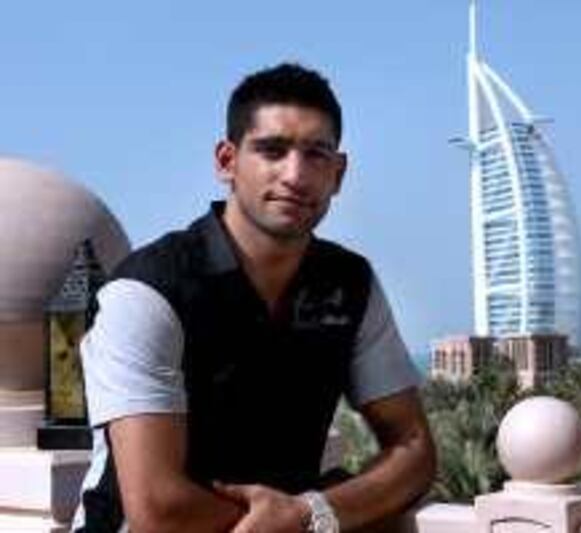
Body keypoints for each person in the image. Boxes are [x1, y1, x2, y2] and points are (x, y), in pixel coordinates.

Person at [72, 63, 436, 533]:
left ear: (339, 173)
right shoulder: (149, 291)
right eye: (272, 150)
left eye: (317, 154)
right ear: (227, 161)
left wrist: (312, 513)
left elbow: (414, 449)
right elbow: (158, 511)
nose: (296, 175)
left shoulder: (348, 284)